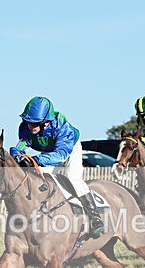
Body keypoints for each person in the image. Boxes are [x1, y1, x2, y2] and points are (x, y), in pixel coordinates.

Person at [8, 96, 105, 238]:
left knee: (73, 179)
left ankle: (96, 219)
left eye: (35, 123)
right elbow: (21, 146)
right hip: (48, 152)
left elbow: (61, 155)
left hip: (69, 150)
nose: (30, 126)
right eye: (28, 122)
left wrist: (36, 159)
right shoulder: (25, 128)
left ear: (46, 122)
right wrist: (18, 156)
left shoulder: (62, 127)